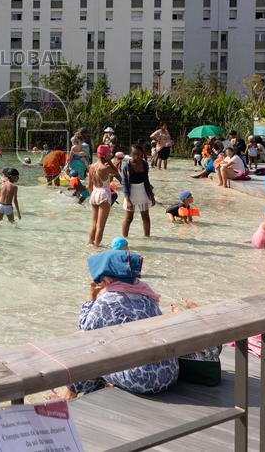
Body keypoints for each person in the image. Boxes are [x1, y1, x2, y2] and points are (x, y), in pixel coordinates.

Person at [59, 250, 178, 399]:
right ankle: (87, 394)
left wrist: (92, 298)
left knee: (89, 350)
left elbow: (85, 329)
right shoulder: (146, 296)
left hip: (144, 380)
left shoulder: (108, 301)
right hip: (169, 372)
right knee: (105, 347)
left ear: (107, 279)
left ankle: (71, 395)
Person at [86, 146, 121, 246]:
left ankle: (90, 244)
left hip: (94, 193)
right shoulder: (106, 167)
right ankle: (97, 247)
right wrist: (109, 161)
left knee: (93, 224)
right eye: (109, 154)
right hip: (103, 194)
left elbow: (89, 186)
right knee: (101, 226)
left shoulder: (92, 167)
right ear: (106, 155)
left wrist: (92, 196)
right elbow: (116, 171)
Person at [121, 145, 156, 238]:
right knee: (129, 218)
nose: (137, 156)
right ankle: (125, 238)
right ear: (130, 154)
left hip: (143, 191)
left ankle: (147, 238)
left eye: (139, 154)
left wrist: (151, 195)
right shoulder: (126, 166)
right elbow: (124, 183)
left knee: (146, 217)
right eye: (135, 154)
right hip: (130, 193)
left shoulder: (144, 164)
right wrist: (127, 200)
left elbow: (146, 180)